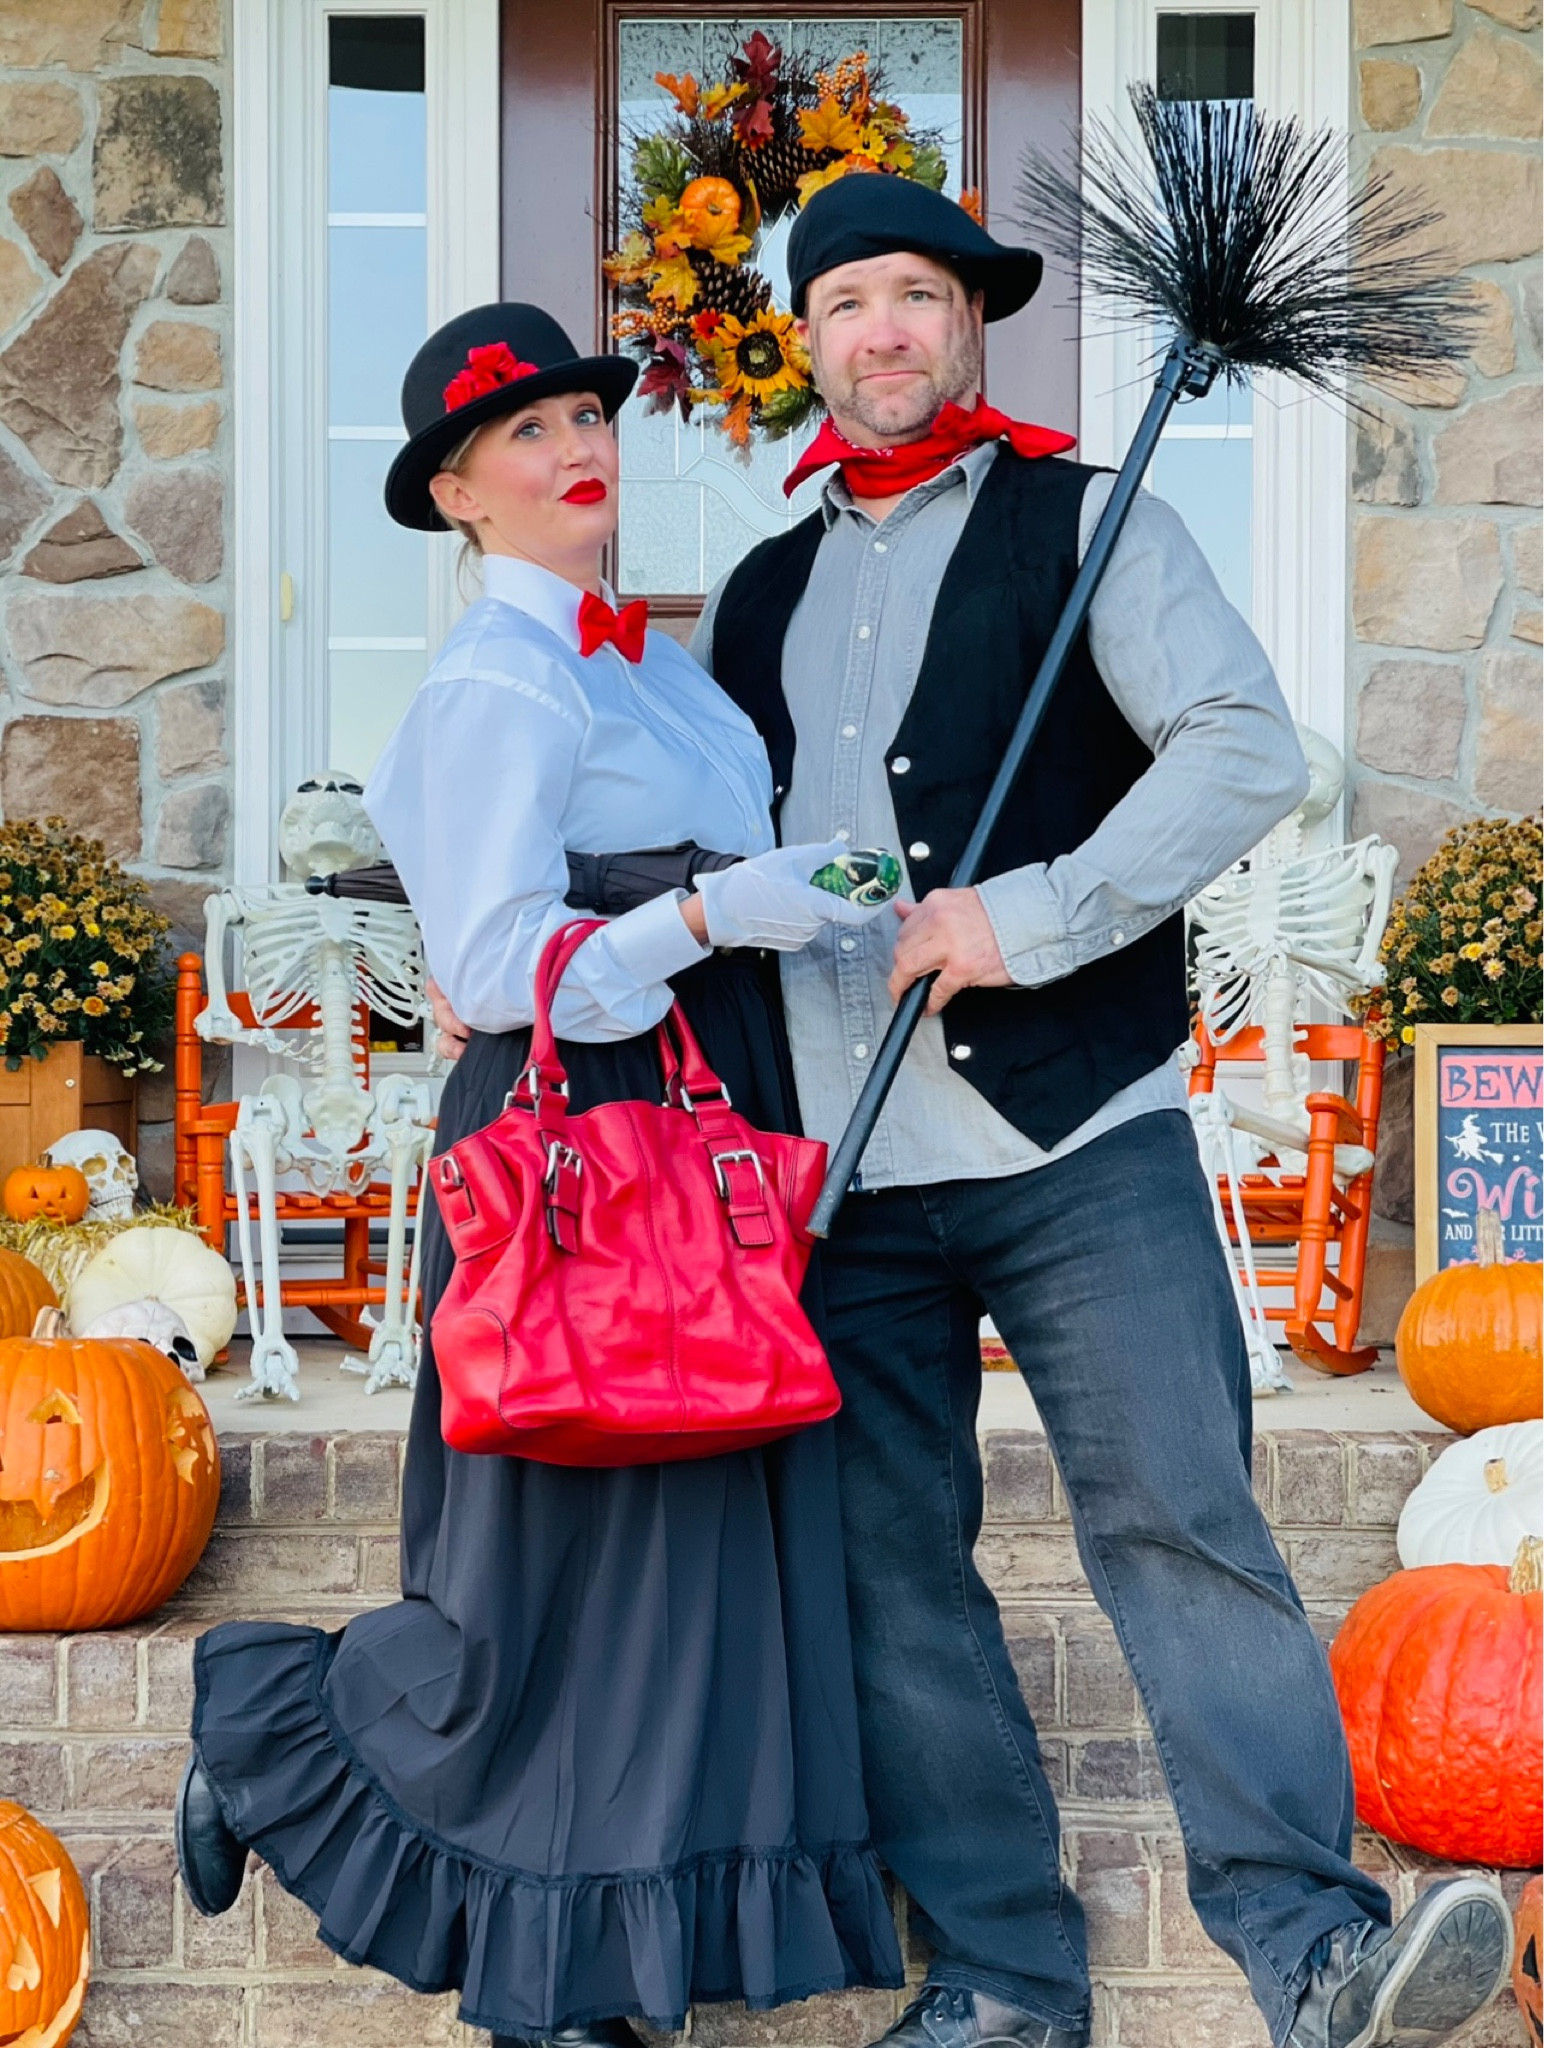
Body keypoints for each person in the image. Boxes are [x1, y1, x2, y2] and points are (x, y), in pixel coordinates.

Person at [433, 180, 1513, 2048]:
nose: (883, 333)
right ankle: (1009, 1975)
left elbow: (1247, 748)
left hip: (1078, 1143)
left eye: (915, 296)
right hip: (837, 1168)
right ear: (812, 341)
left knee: (1180, 1525)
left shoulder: (1090, 521)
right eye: (845, 301)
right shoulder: (755, 595)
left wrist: (1027, 915)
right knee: (886, 1574)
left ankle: (1313, 1945)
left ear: (968, 322)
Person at [176, 301, 905, 2048]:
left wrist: (809, 898)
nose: (579, 447)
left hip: (699, 1095)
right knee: (545, 1570)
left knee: (680, 1566)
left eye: (589, 415)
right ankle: (271, 1743)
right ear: (457, 497)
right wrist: (715, 909)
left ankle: (595, 1970)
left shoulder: (648, 664)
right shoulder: (497, 674)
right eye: (526, 434)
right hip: (569, 1126)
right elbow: (499, 964)